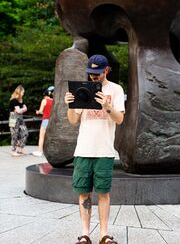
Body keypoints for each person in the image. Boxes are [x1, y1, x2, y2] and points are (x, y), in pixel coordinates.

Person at [64, 54, 125, 244]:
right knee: (84, 192)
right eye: (91, 73)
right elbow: (73, 121)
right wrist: (69, 105)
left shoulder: (115, 89)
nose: (93, 77)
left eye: (97, 73)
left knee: (103, 193)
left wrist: (107, 106)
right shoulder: (82, 89)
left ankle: (104, 234)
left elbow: (120, 119)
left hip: (104, 150)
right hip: (83, 149)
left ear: (106, 70)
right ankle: (85, 234)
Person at [32, 89, 53, 157]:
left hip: (45, 121)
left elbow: (41, 111)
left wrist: (37, 112)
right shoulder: (53, 101)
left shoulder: (44, 101)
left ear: (44, 95)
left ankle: (40, 151)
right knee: (49, 137)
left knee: (41, 136)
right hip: (52, 121)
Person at [9, 85, 28, 157]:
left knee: (25, 132)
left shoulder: (21, 100)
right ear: (19, 92)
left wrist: (21, 110)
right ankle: (13, 151)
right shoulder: (14, 100)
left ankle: (20, 148)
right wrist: (22, 110)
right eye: (23, 92)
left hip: (20, 118)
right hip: (13, 118)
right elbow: (19, 110)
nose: (23, 93)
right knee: (14, 134)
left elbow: (24, 109)